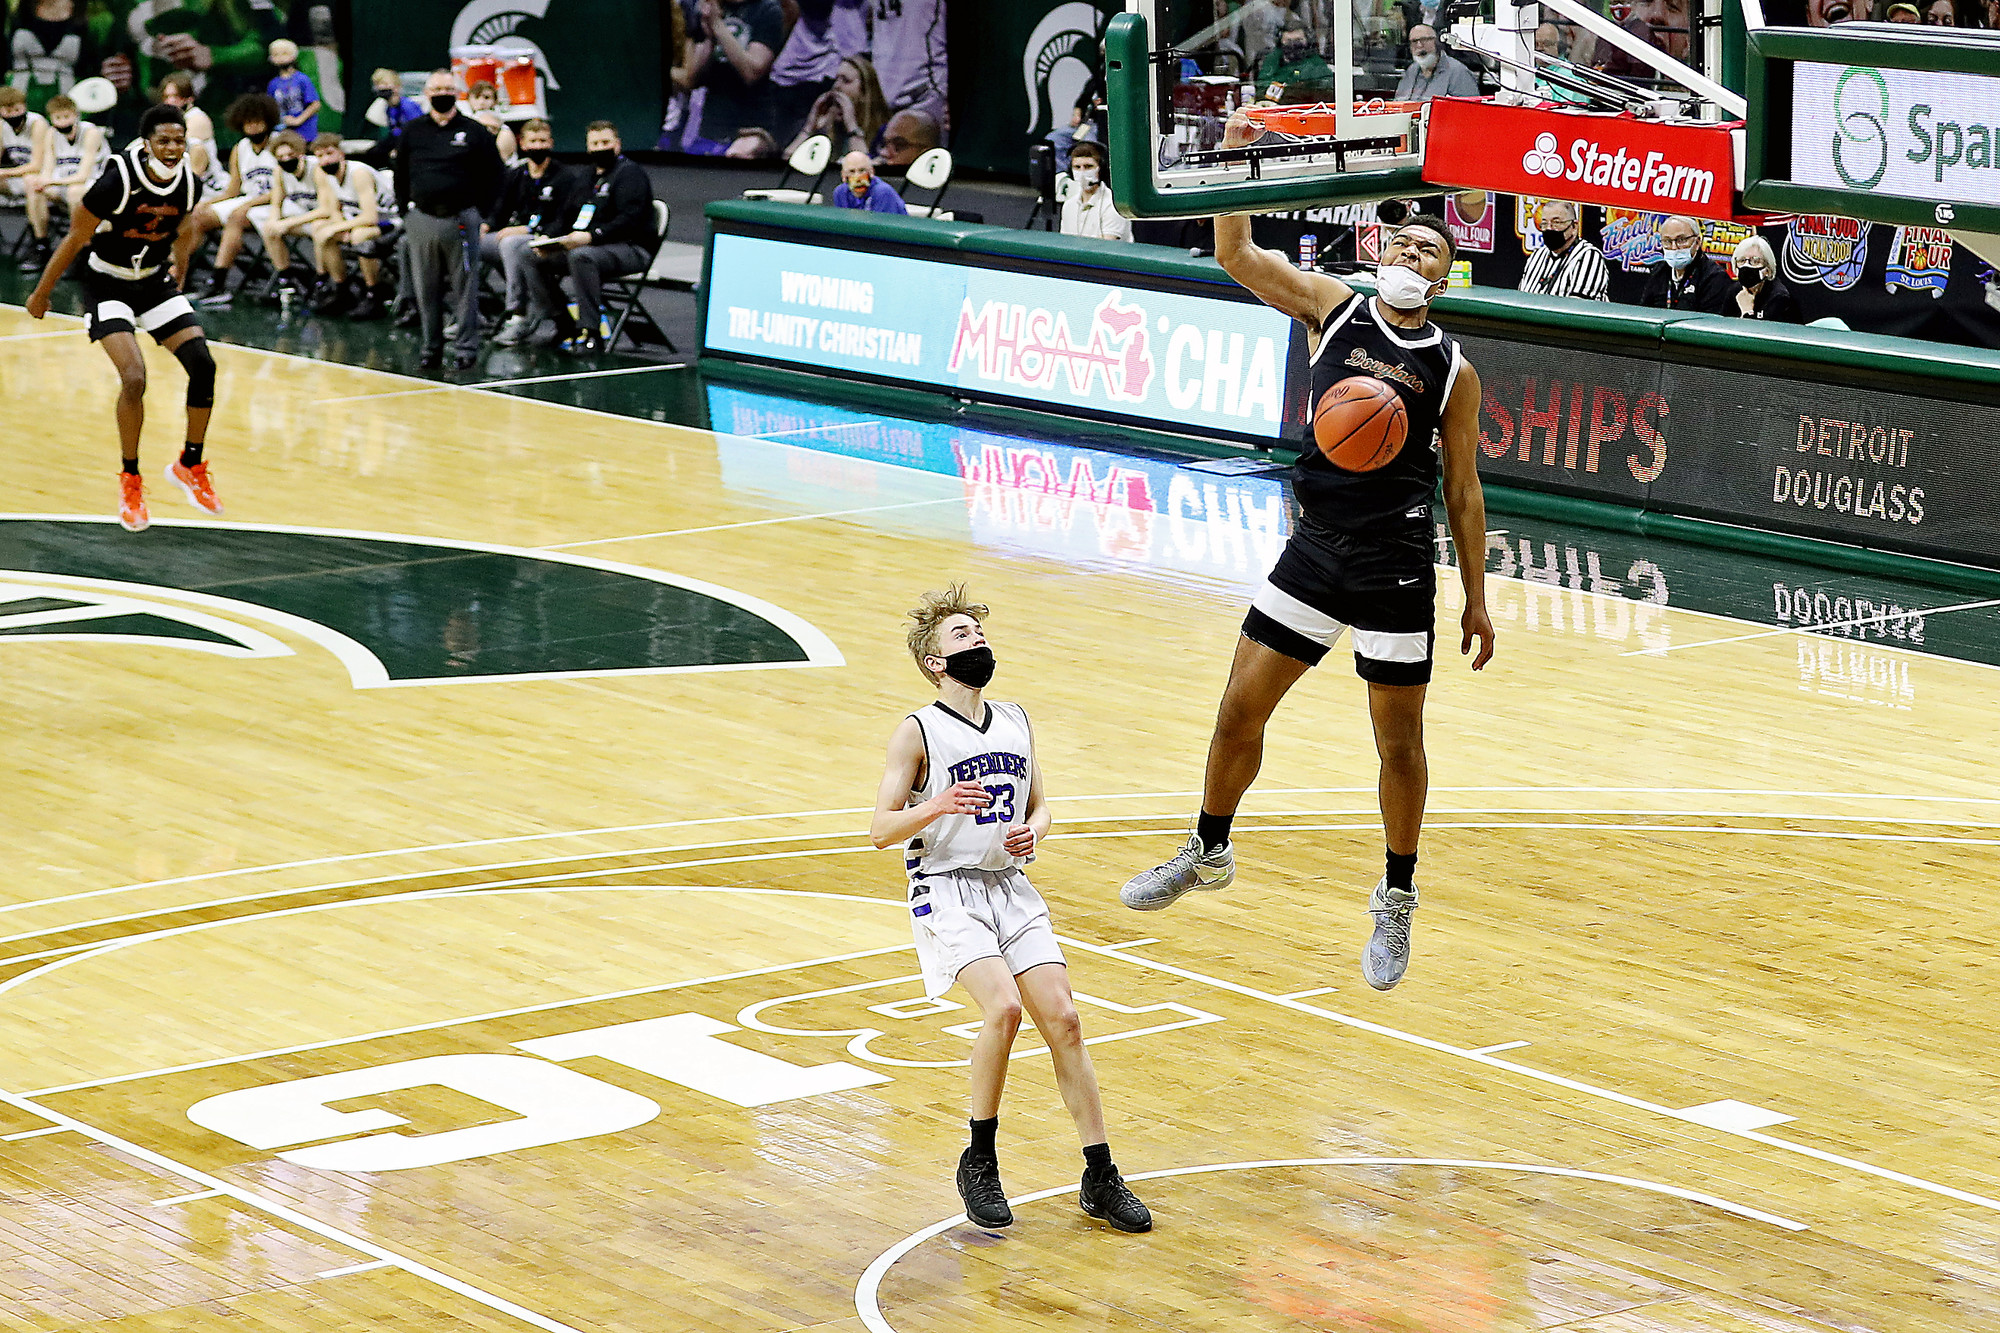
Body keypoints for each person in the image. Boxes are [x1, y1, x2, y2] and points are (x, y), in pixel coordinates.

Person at [1119, 107, 1496, 995]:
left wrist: (1477, 596)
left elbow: (1466, 490)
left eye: (1430, 251)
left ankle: (1397, 896)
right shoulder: (1334, 309)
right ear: (1381, 252)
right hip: (1317, 544)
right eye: (1404, 243)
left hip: (1396, 559)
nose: (1413, 255)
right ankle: (1208, 848)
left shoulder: (1452, 368)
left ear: (1445, 276)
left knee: (1397, 743)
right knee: (1236, 708)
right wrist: (1232, 172)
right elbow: (1238, 257)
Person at [870, 585, 1153, 1236]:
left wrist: (1038, 832)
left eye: (979, 632)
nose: (978, 641)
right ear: (935, 662)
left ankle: (1100, 1174)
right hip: (945, 885)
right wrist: (936, 804)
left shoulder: (1017, 719)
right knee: (1003, 1007)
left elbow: (1040, 805)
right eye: (962, 635)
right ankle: (980, 1157)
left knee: (1068, 1020)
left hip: (1009, 884)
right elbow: (880, 828)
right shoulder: (918, 731)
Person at [24, 102, 222, 533]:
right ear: (147, 143)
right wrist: (42, 292)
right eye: (163, 140)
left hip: (153, 281)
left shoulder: (188, 181)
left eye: (178, 140)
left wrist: (181, 269)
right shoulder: (117, 178)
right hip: (107, 283)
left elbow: (185, 228)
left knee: (203, 365)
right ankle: (131, 478)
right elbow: (77, 238)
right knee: (134, 377)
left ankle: (190, 464)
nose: (172, 148)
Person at [394, 68, 504, 370]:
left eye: (447, 89)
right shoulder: (413, 131)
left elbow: (496, 175)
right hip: (422, 219)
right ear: (427, 94)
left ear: (457, 94)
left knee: (465, 289)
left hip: (462, 219)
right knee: (425, 288)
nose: (441, 94)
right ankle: (431, 349)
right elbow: (400, 175)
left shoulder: (474, 131)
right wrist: (406, 212)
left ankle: (466, 349)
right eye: (436, 89)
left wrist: (486, 216)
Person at [527, 119, 653, 356]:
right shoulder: (586, 176)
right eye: (594, 143)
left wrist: (591, 237)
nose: (599, 148)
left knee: (581, 256)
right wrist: (548, 238)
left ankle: (592, 333)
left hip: (630, 247)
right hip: (587, 244)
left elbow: (629, 221)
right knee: (531, 255)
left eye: (605, 142)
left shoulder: (630, 174)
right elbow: (566, 215)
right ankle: (564, 323)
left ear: (617, 145)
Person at [487, 118, 578, 344]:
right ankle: (470, 312)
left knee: (511, 245)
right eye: (533, 141)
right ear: (522, 144)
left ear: (551, 143)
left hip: (545, 237)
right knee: (470, 242)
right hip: (515, 234)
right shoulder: (516, 174)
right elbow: (500, 208)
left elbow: (563, 219)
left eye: (542, 141)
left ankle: (517, 314)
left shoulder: (565, 177)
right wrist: (485, 225)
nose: (538, 146)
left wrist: (527, 228)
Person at [193, 93, 282, 308]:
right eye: (248, 123)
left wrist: (248, 204)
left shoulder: (281, 144)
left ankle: (219, 282)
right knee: (197, 215)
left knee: (236, 216)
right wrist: (209, 202)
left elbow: (286, 189)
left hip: (277, 202)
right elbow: (234, 189)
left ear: (268, 121)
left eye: (257, 122)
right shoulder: (240, 148)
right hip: (249, 200)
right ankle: (180, 274)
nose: (252, 127)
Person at [307, 134, 391, 318]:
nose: (325, 159)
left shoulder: (359, 173)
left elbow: (371, 216)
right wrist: (340, 227)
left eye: (330, 153)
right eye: (320, 156)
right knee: (322, 231)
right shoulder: (328, 175)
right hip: (359, 222)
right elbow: (334, 209)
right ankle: (342, 290)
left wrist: (339, 228)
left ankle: (374, 295)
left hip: (391, 221)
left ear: (342, 154)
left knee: (360, 236)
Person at [684, 0, 783, 155]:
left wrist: (718, 26)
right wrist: (709, 37)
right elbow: (693, 79)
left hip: (749, 130)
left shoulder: (767, 10)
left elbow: (752, 72)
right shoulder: (711, 7)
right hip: (711, 126)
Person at [18, 91, 99, 271]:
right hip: (63, 185)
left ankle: (81, 249)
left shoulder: (90, 132)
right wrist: (42, 182)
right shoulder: (52, 134)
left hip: (93, 187)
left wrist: (50, 183)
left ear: (75, 115)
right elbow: (47, 170)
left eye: (66, 116)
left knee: (74, 191)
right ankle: (41, 244)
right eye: (58, 118)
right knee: (33, 183)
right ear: (51, 119)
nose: (63, 122)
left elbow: (84, 175)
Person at [253, 128, 335, 302]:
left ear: (300, 153)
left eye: (290, 154)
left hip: (328, 216)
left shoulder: (316, 169)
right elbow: (276, 203)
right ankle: (285, 278)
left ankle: (322, 279)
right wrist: (274, 221)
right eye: (280, 157)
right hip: (305, 214)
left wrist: (287, 223)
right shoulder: (279, 172)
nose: (286, 160)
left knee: (318, 226)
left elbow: (326, 210)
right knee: (268, 225)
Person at [783, 54, 887, 159]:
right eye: (835, 80)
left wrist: (852, 127)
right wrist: (809, 128)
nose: (836, 86)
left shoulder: (884, 135)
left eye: (846, 81)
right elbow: (786, 163)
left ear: (865, 93)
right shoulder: (826, 132)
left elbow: (863, 169)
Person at [6, 0, 99, 116]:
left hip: (65, 102)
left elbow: (90, 67)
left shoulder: (86, 19)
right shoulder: (21, 14)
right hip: (18, 99)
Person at [1640, 214, 1737, 313]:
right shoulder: (1659, 270)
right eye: (1667, 241)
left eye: (1681, 240)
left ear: (1698, 242)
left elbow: (1711, 322)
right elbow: (1645, 311)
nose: (1674, 247)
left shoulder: (1715, 277)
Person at [1516, 199, 1608, 301]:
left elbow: (1580, 308)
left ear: (1574, 227)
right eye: (1544, 223)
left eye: (1556, 223)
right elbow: (1522, 299)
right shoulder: (1537, 256)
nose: (1549, 228)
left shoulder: (1588, 256)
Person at [158, 72, 224, 197]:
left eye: (176, 96)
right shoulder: (167, 123)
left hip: (211, 188)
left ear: (189, 98)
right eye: (166, 97)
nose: (170, 101)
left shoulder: (197, 118)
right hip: (181, 188)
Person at [1058, 140, 1131, 243]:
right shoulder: (1069, 205)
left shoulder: (1114, 204)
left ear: (1101, 169)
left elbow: (1107, 247)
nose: (1082, 172)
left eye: (1088, 166)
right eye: (1077, 167)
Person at [1394, 24, 1479, 101]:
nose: (1419, 45)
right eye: (1414, 41)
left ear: (1436, 42)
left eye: (1424, 40)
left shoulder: (1458, 72)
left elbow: (1471, 111)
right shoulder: (1411, 71)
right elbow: (1398, 103)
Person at [1731, 235, 1799, 322]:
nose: (1746, 266)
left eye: (1755, 261)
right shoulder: (1735, 291)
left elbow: (1760, 334)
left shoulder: (1779, 298)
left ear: (1768, 270)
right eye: (1742, 260)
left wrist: (1747, 312)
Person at [0, 84, 49, 206]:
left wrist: (6, 172)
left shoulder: (37, 123)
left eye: (17, 110)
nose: (13, 115)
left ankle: (35, 224)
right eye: (8, 111)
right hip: (19, 175)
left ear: (25, 106)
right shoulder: (2, 126)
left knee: (30, 179)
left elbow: (37, 165)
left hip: (42, 175)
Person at [266, 38, 319, 143]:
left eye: (284, 53)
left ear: (293, 55)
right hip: (283, 133)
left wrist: (298, 120)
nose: (280, 58)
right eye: (276, 54)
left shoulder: (302, 79)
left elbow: (315, 104)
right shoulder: (273, 84)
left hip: (305, 133)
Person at [1256, 20, 1333, 87]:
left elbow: (1327, 81)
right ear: (1281, 41)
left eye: (1298, 40)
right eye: (1288, 41)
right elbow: (1262, 84)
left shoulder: (1314, 59)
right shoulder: (1273, 58)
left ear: (1307, 40)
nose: (1293, 44)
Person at [829, 148, 905, 213]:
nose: (857, 177)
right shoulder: (840, 192)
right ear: (843, 175)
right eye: (852, 171)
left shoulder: (882, 192)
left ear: (872, 172)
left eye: (862, 170)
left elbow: (882, 228)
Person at [465, 79, 518, 164]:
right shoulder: (465, 123)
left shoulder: (504, 130)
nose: (481, 102)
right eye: (477, 97)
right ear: (469, 99)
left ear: (495, 101)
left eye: (487, 97)